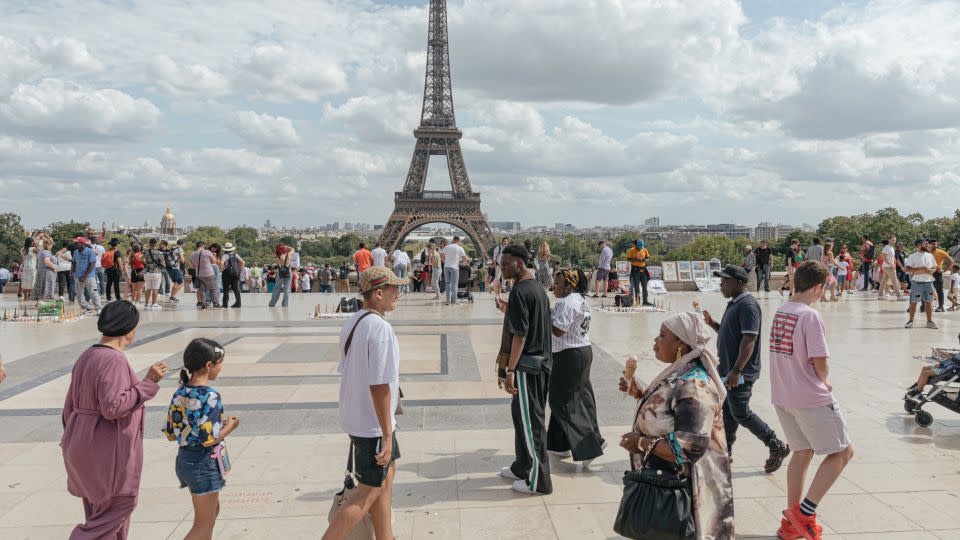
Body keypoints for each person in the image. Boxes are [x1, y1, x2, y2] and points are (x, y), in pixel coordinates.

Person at [617, 312, 735, 539]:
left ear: (681, 342)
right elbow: (670, 413)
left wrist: (640, 442)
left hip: (688, 495)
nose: (655, 340)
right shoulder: (680, 371)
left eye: (662, 336)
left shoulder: (695, 384)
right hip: (669, 488)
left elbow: (689, 446)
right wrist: (639, 394)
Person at [61, 301, 169, 539]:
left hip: (81, 444)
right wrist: (149, 383)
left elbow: (68, 408)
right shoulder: (113, 360)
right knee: (119, 505)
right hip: (108, 452)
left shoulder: (87, 355)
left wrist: (77, 436)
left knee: (102, 516)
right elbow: (113, 407)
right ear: (130, 328)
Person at [769, 261, 854, 540]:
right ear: (818, 287)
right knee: (843, 452)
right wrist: (825, 380)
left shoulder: (781, 311)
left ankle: (790, 523)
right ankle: (805, 513)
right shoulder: (810, 315)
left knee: (802, 452)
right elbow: (819, 361)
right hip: (809, 396)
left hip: (783, 395)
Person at [323, 267, 407, 540]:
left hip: (358, 417)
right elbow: (380, 384)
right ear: (379, 293)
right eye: (395, 289)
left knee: (385, 480)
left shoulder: (355, 321)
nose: (399, 294)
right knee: (368, 492)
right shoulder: (380, 328)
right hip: (373, 424)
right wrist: (386, 434)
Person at [703, 264, 789, 472]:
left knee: (740, 412)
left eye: (725, 280)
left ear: (739, 283)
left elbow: (749, 339)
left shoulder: (748, 305)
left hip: (740, 372)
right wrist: (713, 323)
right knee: (729, 411)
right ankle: (726, 451)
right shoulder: (735, 303)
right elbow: (731, 333)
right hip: (730, 370)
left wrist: (737, 370)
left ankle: (775, 445)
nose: (721, 284)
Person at [162, 338, 239, 540]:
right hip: (203, 462)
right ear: (209, 365)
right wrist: (230, 427)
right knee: (203, 523)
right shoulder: (210, 396)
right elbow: (208, 439)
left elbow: (171, 433)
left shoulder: (180, 392)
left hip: (185, 460)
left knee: (211, 514)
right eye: (220, 363)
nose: (221, 368)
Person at [493, 245, 553, 495]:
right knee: (521, 417)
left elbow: (520, 335)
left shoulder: (519, 291)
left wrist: (509, 370)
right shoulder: (536, 288)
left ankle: (539, 482)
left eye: (506, 263)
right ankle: (522, 466)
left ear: (520, 262)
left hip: (527, 367)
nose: (502, 268)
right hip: (541, 363)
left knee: (531, 424)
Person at [546, 268, 605, 470]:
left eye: (558, 283)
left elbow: (558, 330)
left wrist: (543, 316)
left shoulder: (566, 302)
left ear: (569, 284)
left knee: (561, 400)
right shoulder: (579, 299)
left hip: (568, 355)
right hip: (583, 351)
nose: (555, 286)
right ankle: (559, 443)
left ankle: (588, 447)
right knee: (579, 397)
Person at [905, 238, 938, 329]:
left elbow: (935, 267)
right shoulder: (912, 256)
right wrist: (922, 269)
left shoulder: (930, 255)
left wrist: (932, 270)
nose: (927, 245)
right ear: (919, 245)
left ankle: (929, 322)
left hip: (929, 282)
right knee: (914, 302)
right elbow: (907, 269)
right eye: (925, 243)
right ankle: (910, 321)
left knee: (929, 303)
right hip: (917, 283)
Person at [73, 237, 103, 315]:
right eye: (75, 243)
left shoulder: (90, 252)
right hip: (77, 276)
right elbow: (74, 262)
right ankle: (85, 308)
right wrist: (72, 271)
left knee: (93, 292)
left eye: (77, 243)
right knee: (79, 293)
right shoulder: (75, 252)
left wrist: (85, 276)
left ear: (83, 244)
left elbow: (92, 264)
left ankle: (98, 308)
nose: (75, 244)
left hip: (89, 276)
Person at [190, 241, 220, 309]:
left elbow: (192, 266)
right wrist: (214, 256)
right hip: (209, 273)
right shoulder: (207, 252)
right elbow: (214, 262)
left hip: (199, 274)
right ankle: (216, 303)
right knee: (213, 289)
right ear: (203, 246)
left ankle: (204, 304)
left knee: (202, 290)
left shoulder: (192, 254)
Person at [626, 239, 654, 306]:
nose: (640, 248)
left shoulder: (644, 250)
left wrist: (644, 260)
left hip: (643, 270)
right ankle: (638, 301)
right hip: (635, 271)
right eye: (639, 247)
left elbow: (648, 259)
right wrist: (636, 260)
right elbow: (628, 259)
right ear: (636, 245)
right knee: (636, 287)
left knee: (644, 286)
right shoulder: (632, 250)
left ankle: (645, 301)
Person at [441, 236, 468, 305]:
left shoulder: (447, 247)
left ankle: (447, 300)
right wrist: (464, 264)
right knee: (454, 284)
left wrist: (444, 261)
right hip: (454, 267)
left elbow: (441, 255)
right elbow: (465, 258)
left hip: (446, 267)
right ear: (458, 241)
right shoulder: (459, 248)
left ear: (453, 240)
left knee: (447, 284)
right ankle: (454, 300)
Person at [31, 237, 58, 302]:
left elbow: (37, 264)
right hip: (47, 272)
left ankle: (39, 303)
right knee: (47, 287)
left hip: (41, 272)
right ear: (50, 244)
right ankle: (46, 303)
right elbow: (47, 262)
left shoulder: (40, 252)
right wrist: (54, 268)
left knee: (41, 287)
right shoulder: (47, 252)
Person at [930, 239, 955, 313]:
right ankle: (926, 306)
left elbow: (951, 261)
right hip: (927, 272)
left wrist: (945, 270)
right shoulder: (926, 252)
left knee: (939, 290)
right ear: (929, 244)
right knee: (927, 290)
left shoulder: (941, 252)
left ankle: (941, 307)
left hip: (937, 273)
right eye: (933, 244)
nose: (934, 245)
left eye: (936, 244)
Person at [142, 239, 165, 311]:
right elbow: (162, 263)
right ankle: (154, 304)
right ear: (156, 244)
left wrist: (147, 263)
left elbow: (141, 259)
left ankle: (146, 304)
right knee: (155, 289)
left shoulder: (146, 252)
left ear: (149, 244)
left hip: (147, 272)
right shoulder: (159, 253)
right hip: (156, 272)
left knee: (148, 289)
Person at [268, 243, 293, 308]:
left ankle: (272, 303)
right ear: (283, 248)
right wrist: (285, 247)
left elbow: (278, 265)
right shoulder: (289, 254)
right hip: (288, 271)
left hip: (280, 272)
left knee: (277, 288)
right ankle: (285, 304)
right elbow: (293, 249)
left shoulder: (278, 256)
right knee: (287, 289)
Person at [221, 243, 245, 307]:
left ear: (225, 249)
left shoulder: (225, 255)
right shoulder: (236, 255)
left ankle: (225, 304)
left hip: (227, 274)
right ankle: (238, 303)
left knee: (226, 289)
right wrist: (239, 270)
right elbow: (243, 262)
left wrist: (222, 270)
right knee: (236, 289)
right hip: (236, 273)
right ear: (231, 249)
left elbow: (222, 263)